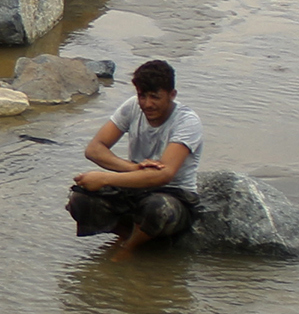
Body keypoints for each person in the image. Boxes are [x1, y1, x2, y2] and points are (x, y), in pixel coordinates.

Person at [67, 58, 202, 260]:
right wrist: (134, 169)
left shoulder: (187, 122)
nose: (147, 104)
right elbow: (95, 149)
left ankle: (128, 248)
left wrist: (104, 178)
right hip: (136, 186)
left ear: (172, 95)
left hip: (175, 194)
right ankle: (128, 234)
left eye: (155, 97)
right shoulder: (132, 107)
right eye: (142, 96)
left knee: (157, 208)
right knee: (80, 198)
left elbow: (164, 175)